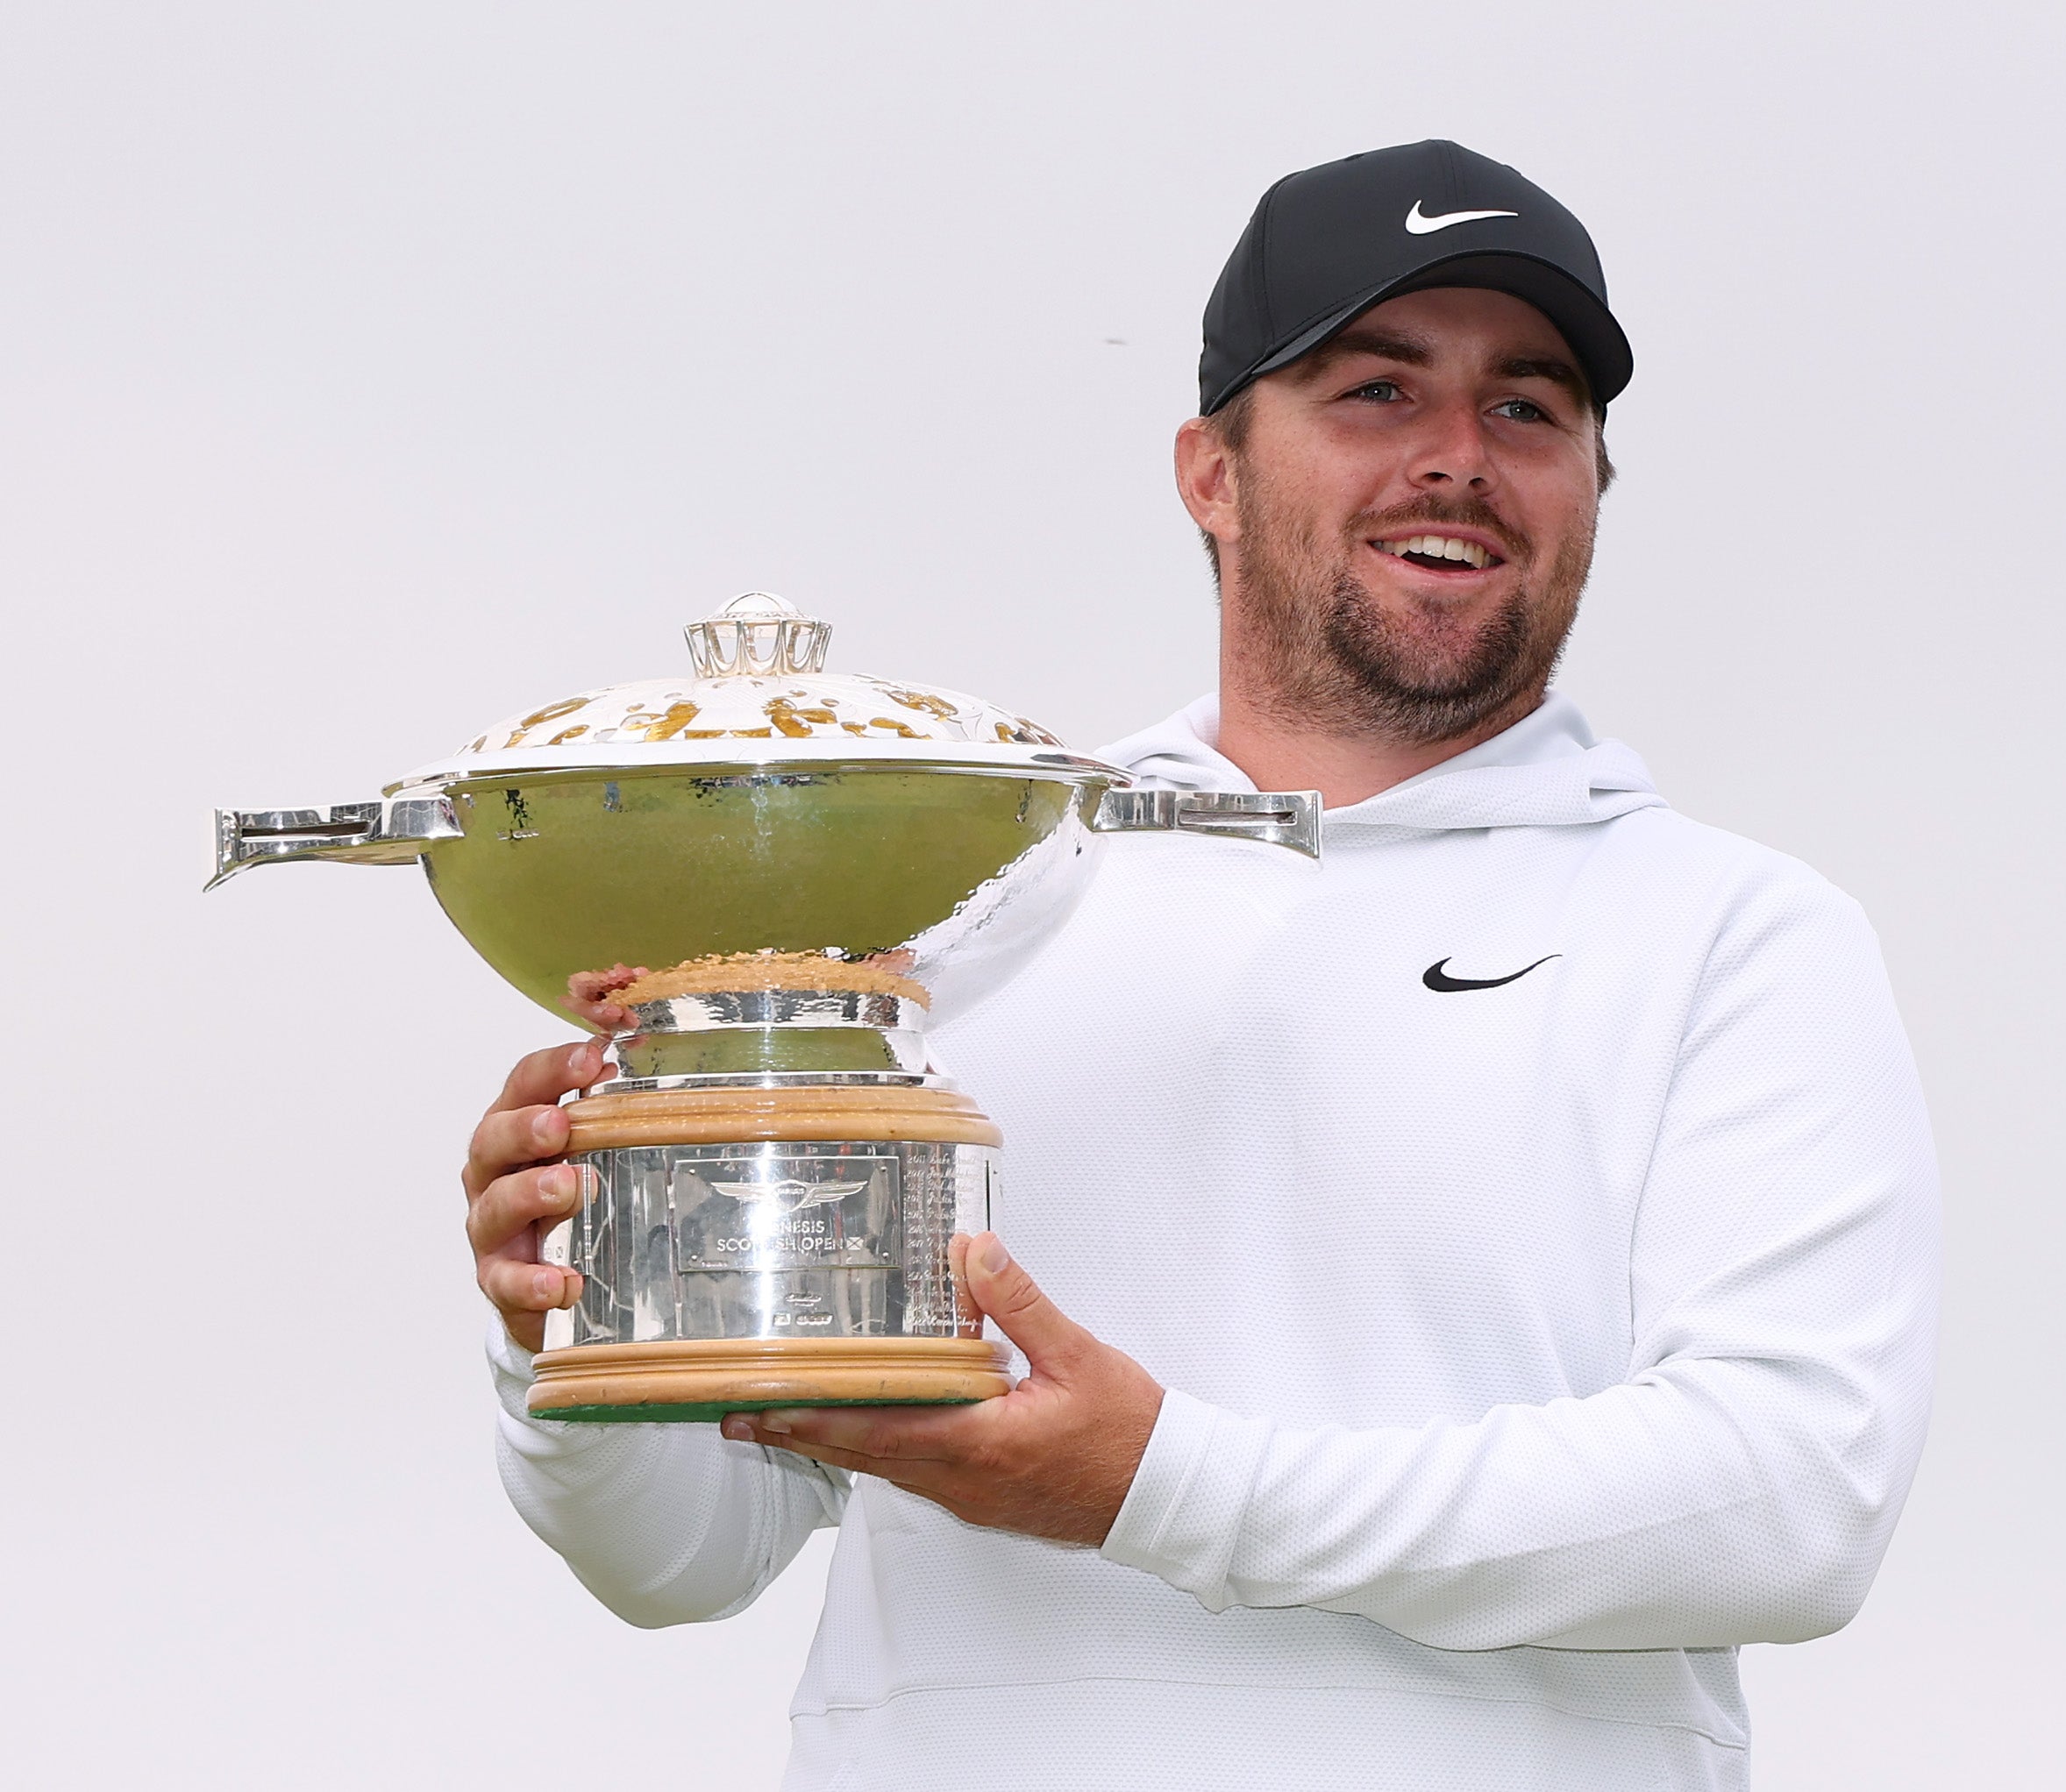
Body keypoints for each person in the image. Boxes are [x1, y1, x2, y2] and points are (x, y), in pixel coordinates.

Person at [464, 139, 1939, 1790]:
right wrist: (573, 1327)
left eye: (1528, 408)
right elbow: (682, 1561)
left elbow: (1791, 1500)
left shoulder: (1732, 935)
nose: (1458, 457)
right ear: (1210, 472)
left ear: (1594, 480)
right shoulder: (959, 911)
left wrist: (1157, 1486)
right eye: (1376, 391)